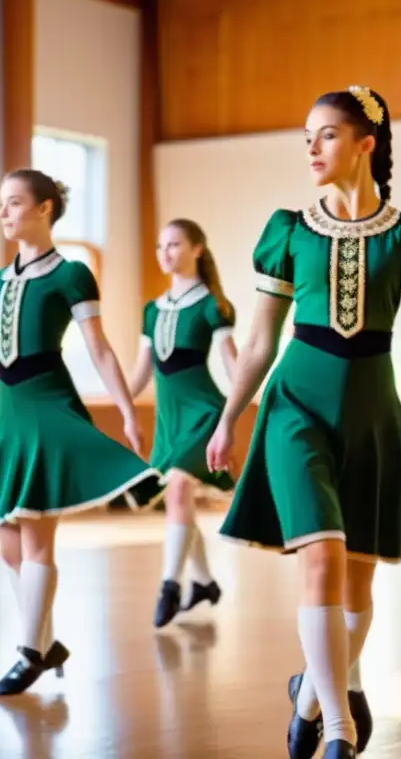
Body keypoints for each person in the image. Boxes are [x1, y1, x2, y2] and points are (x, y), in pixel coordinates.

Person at [205, 86, 401, 759]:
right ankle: (340, 730)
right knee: (319, 557)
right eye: (307, 138)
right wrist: (230, 417)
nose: (312, 149)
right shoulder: (288, 230)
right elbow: (260, 341)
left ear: (365, 144)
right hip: (296, 403)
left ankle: (310, 692)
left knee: (357, 577)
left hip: (373, 410)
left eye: (325, 135)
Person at [0, 168, 159, 696]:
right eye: (1, 203)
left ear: (45, 209)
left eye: (15, 202)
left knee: (37, 538)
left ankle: (28, 655)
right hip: (11, 420)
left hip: (50, 413)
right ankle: (46, 644)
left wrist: (128, 411)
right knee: (8, 545)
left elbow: (100, 349)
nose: (4, 212)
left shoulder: (72, 276)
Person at [128, 218, 237, 628]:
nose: (165, 252)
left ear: (197, 249)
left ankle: (169, 586)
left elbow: (232, 361)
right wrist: (117, 403)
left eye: (174, 244)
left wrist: (242, 406)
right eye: (161, 246)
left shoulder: (214, 305)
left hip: (204, 412)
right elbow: (140, 372)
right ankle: (205, 581)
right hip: (168, 419)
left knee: (177, 488)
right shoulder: (152, 310)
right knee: (180, 500)